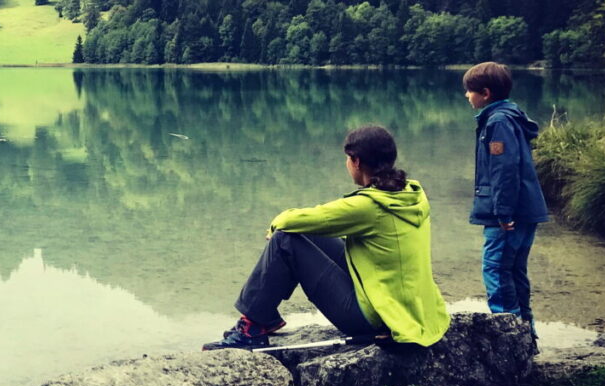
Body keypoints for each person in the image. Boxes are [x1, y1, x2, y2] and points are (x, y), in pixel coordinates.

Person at [204, 125, 449, 350]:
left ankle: (252, 328)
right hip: (403, 306)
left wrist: (275, 226)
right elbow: (316, 222)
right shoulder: (409, 193)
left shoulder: (369, 207)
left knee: (285, 239)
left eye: (347, 159)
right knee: (306, 231)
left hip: (372, 316)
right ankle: (262, 317)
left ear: (356, 161)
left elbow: (289, 220)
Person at [462, 61, 548, 331]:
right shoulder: (509, 116)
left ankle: (508, 336)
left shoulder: (498, 122)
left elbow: (504, 170)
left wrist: (503, 211)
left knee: (497, 271)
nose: (467, 96)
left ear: (485, 93)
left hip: (509, 215)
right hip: (524, 210)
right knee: (514, 272)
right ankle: (526, 334)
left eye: (470, 91)